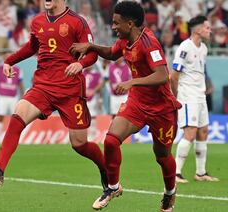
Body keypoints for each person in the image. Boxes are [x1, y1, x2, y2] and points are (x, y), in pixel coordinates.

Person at [0, 0, 108, 193]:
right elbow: (32, 47)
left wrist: (80, 64)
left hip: (69, 90)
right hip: (43, 86)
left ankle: (105, 169)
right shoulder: (38, 21)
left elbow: (92, 55)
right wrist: (9, 61)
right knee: (18, 115)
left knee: (79, 144)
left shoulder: (77, 22)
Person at [69, 1, 182, 211]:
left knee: (162, 155)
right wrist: (91, 46)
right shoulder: (124, 40)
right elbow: (112, 54)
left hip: (162, 109)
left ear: (130, 24)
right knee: (111, 140)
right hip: (137, 103)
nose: (113, 27)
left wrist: (132, 82)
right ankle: (113, 187)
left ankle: (170, 192)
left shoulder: (149, 43)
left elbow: (161, 75)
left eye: (116, 23)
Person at [171, 15, 219, 184]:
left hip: (200, 96)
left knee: (203, 132)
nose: (209, 30)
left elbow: (200, 71)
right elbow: (174, 76)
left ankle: (200, 172)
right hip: (187, 96)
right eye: (207, 27)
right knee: (190, 133)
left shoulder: (203, 48)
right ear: (198, 29)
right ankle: (175, 173)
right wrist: (176, 96)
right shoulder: (185, 47)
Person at [0, 51, 25, 144]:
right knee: (0, 117)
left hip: (13, 97)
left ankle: (17, 139)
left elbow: (20, 84)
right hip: (2, 96)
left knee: (16, 119)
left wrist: (23, 97)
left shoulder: (18, 70)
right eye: (7, 56)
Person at [83, 66, 104, 141]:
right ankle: (85, 135)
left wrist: (93, 91)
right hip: (82, 97)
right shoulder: (82, 72)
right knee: (83, 116)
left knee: (92, 115)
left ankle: (93, 134)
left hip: (93, 97)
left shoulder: (97, 74)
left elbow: (101, 84)